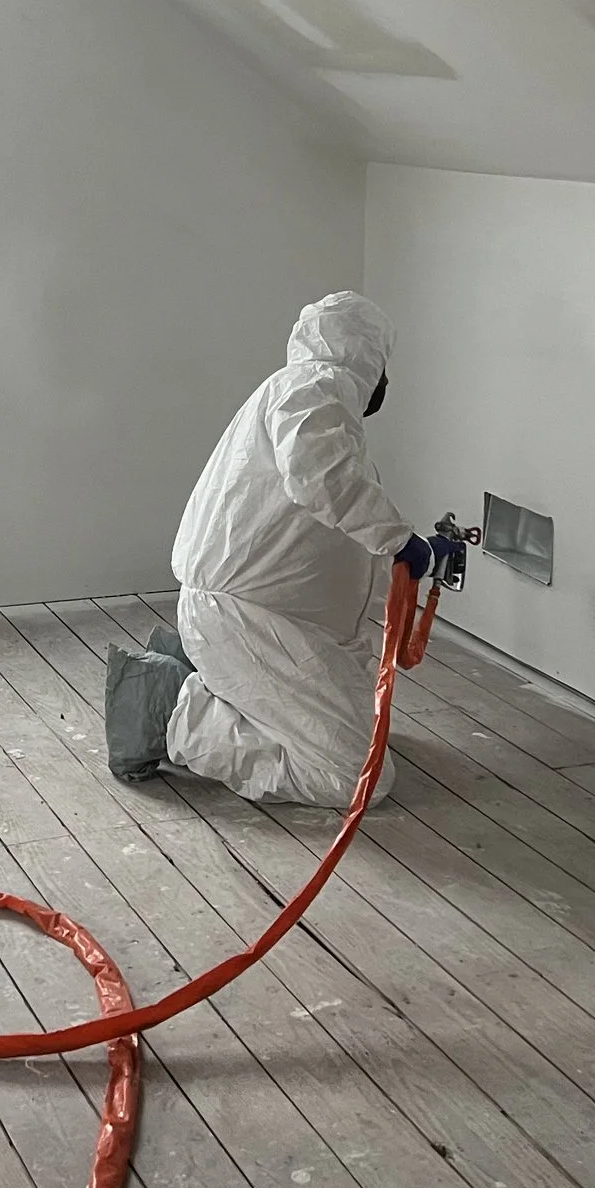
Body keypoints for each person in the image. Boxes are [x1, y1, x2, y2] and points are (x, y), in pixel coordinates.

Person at [104, 291, 446, 807]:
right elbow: (321, 478)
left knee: (363, 733)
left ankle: (201, 674)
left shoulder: (308, 397)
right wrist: (401, 540)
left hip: (275, 616)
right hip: (251, 617)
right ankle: (170, 706)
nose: (386, 383)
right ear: (364, 354)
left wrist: (404, 560)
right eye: (384, 365)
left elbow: (332, 529)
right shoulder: (315, 388)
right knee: (355, 778)